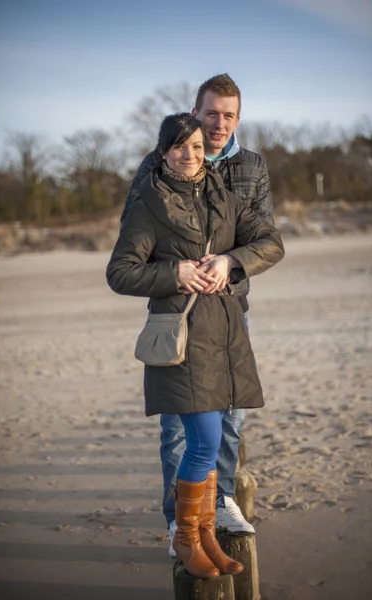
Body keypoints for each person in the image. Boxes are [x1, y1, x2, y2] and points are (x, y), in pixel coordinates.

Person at [106, 113, 284, 578]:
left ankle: (205, 535)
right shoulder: (149, 202)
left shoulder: (222, 195)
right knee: (204, 441)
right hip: (183, 338)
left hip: (225, 334)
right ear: (163, 151)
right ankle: (186, 536)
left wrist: (231, 260)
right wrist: (176, 273)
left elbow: (270, 242)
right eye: (181, 147)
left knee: (212, 439)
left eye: (199, 148)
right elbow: (120, 272)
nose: (191, 156)